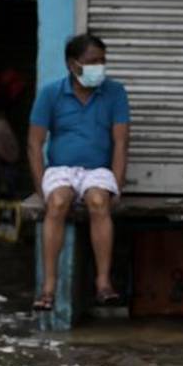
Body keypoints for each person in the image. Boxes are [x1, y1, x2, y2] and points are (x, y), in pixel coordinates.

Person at [27, 33, 130, 311]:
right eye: (92, 61)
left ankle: (103, 282)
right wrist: (40, 187)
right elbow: (34, 143)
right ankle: (48, 287)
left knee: (99, 202)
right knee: (57, 203)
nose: (100, 66)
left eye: (102, 60)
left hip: (98, 170)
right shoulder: (51, 93)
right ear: (73, 65)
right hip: (60, 169)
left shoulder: (115, 92)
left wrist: (117, 184)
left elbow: (121, 142)